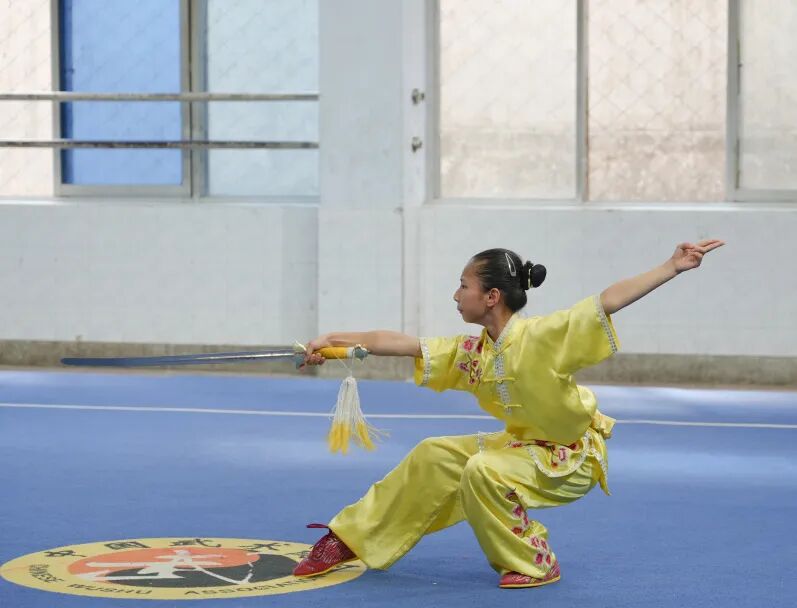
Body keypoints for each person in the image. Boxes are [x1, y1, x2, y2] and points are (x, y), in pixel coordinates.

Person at [292, 239, 725, 589]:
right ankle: (350, 538)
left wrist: (671, 266)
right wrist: (331, 341)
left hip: (570, 458)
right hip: (521, 448)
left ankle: (535, 561)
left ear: (492, 296)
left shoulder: (544, 336)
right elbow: (402, 343)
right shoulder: (471, 352)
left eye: (463, 285)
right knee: (433, 454)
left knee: (483, 470)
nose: (456, 294)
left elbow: (607, 302)